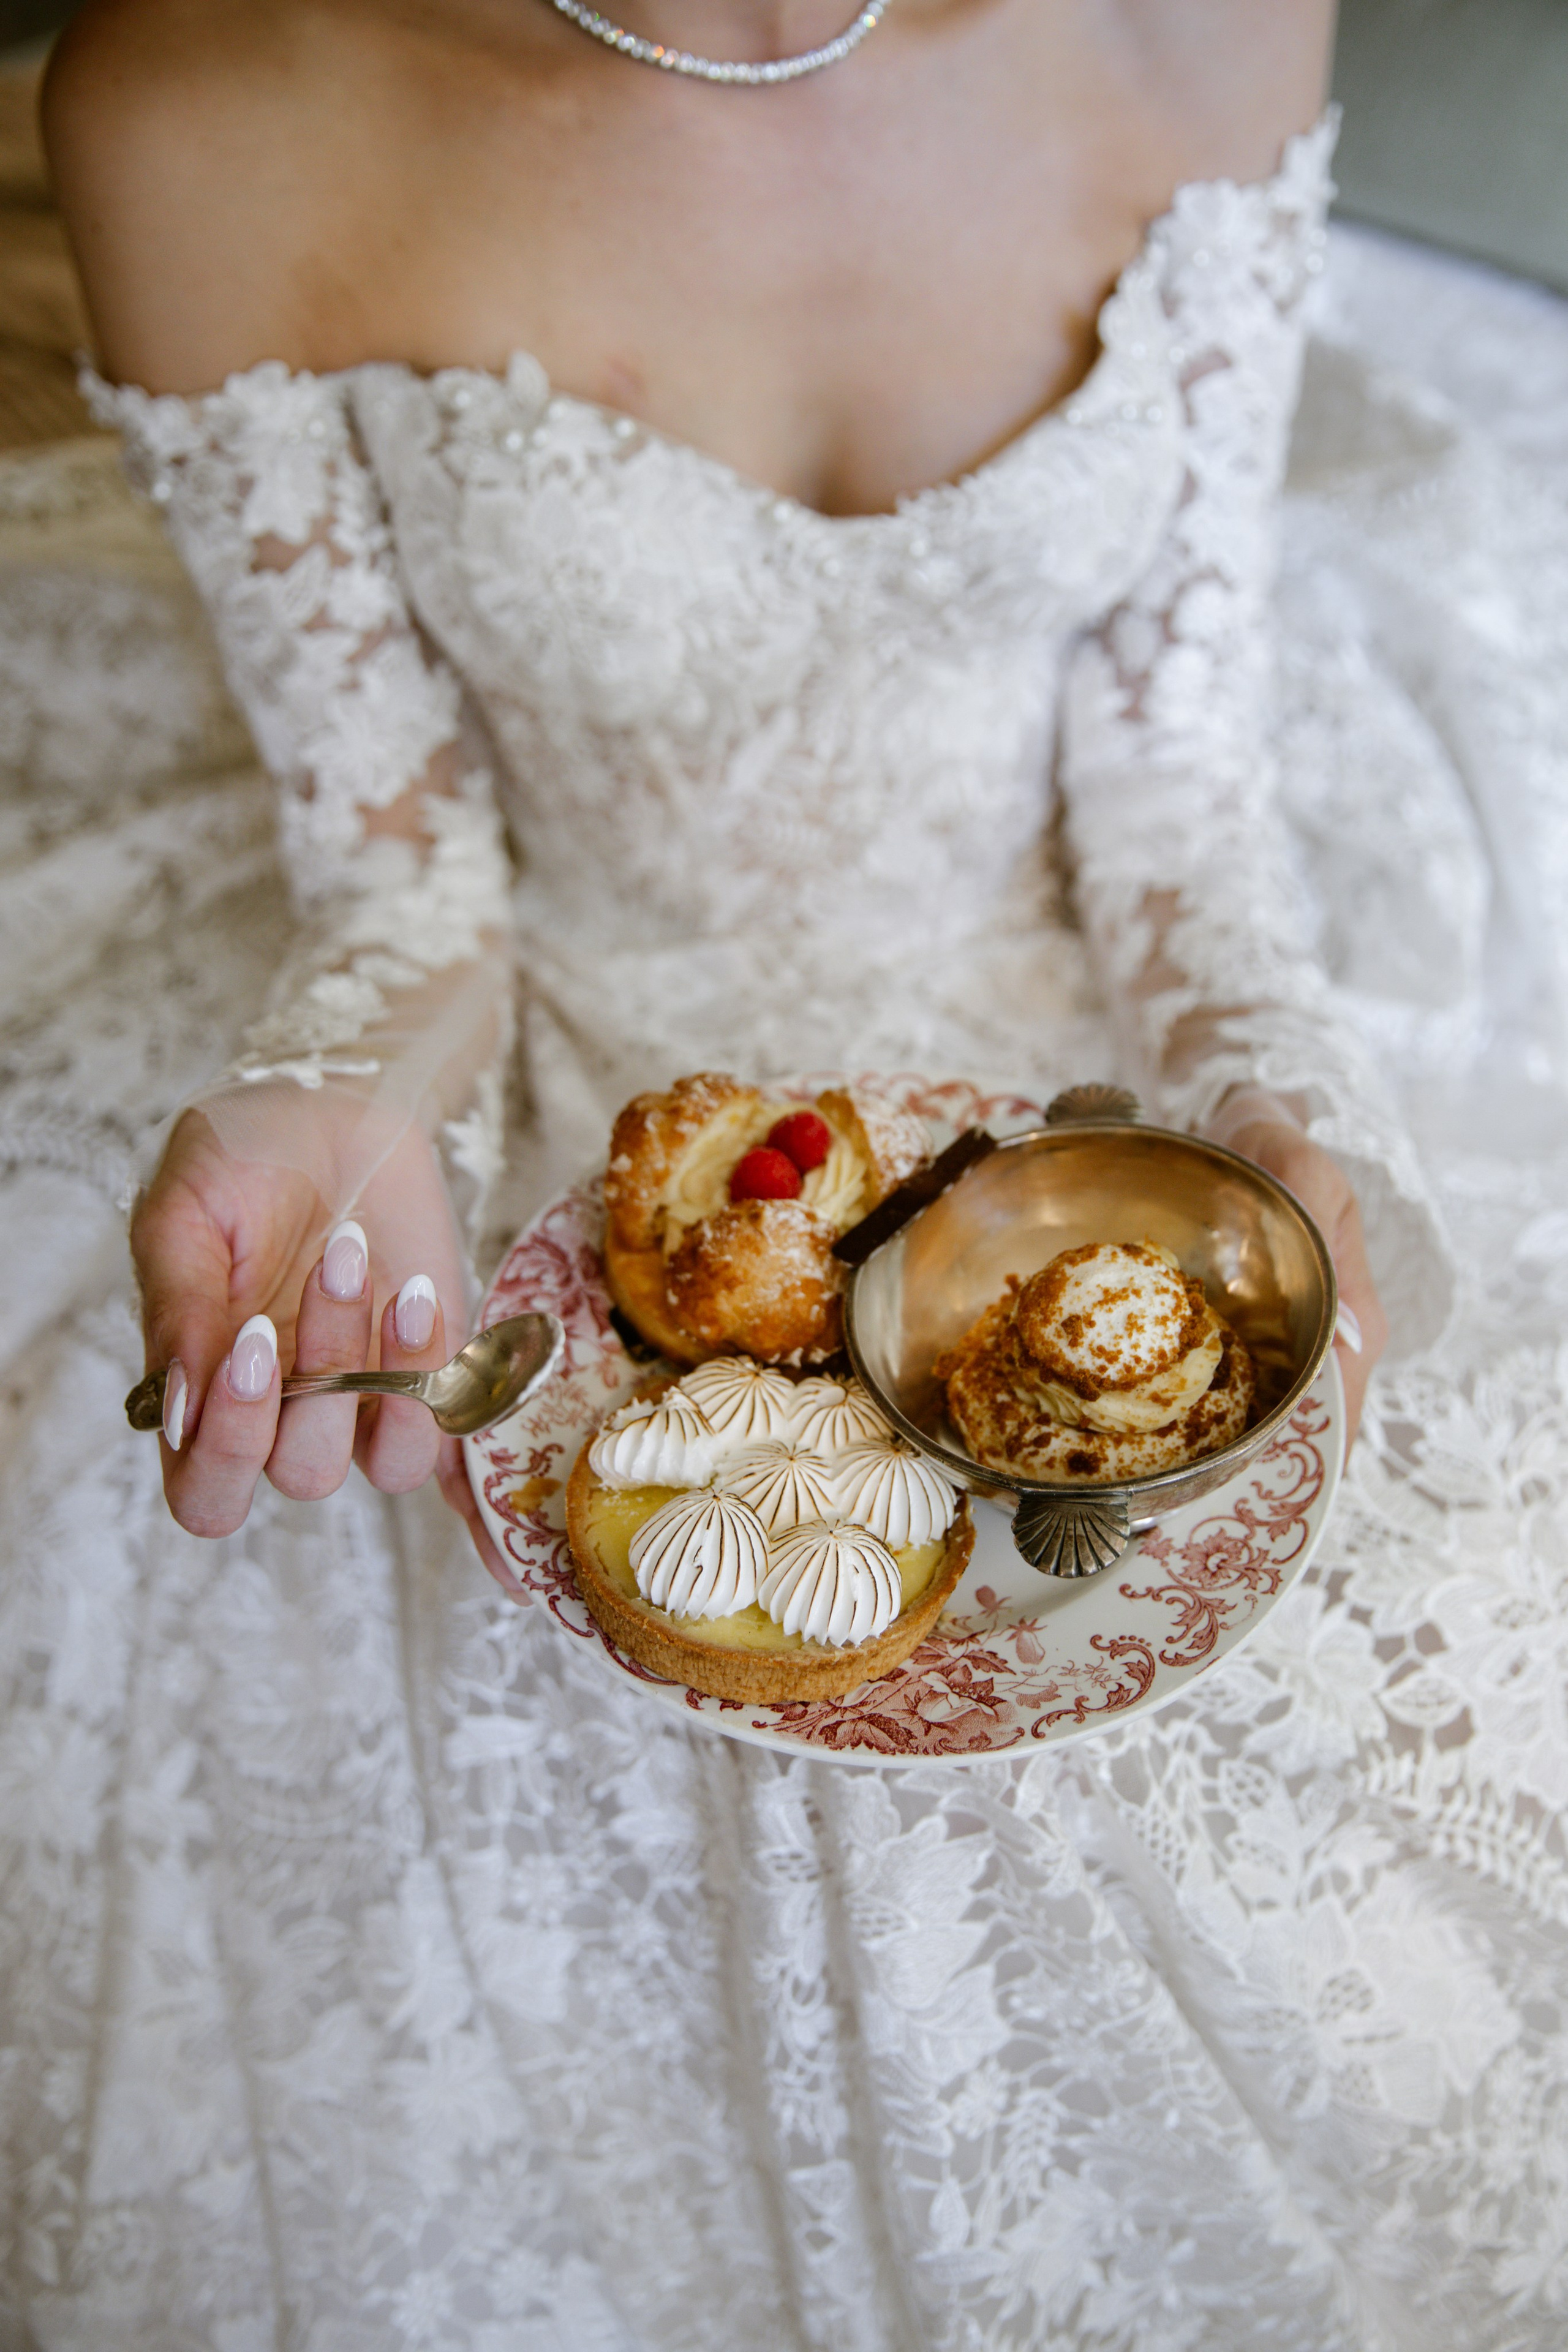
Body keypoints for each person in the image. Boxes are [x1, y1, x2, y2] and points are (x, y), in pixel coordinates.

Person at [1, 0, 1562, 2341]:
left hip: (1083, 1099)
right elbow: (407, 868)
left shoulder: (1207, 12)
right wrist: (344, 1078)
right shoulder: (209, 102)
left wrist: (1271, 1103)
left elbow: (1168, 781)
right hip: (582, 1082)